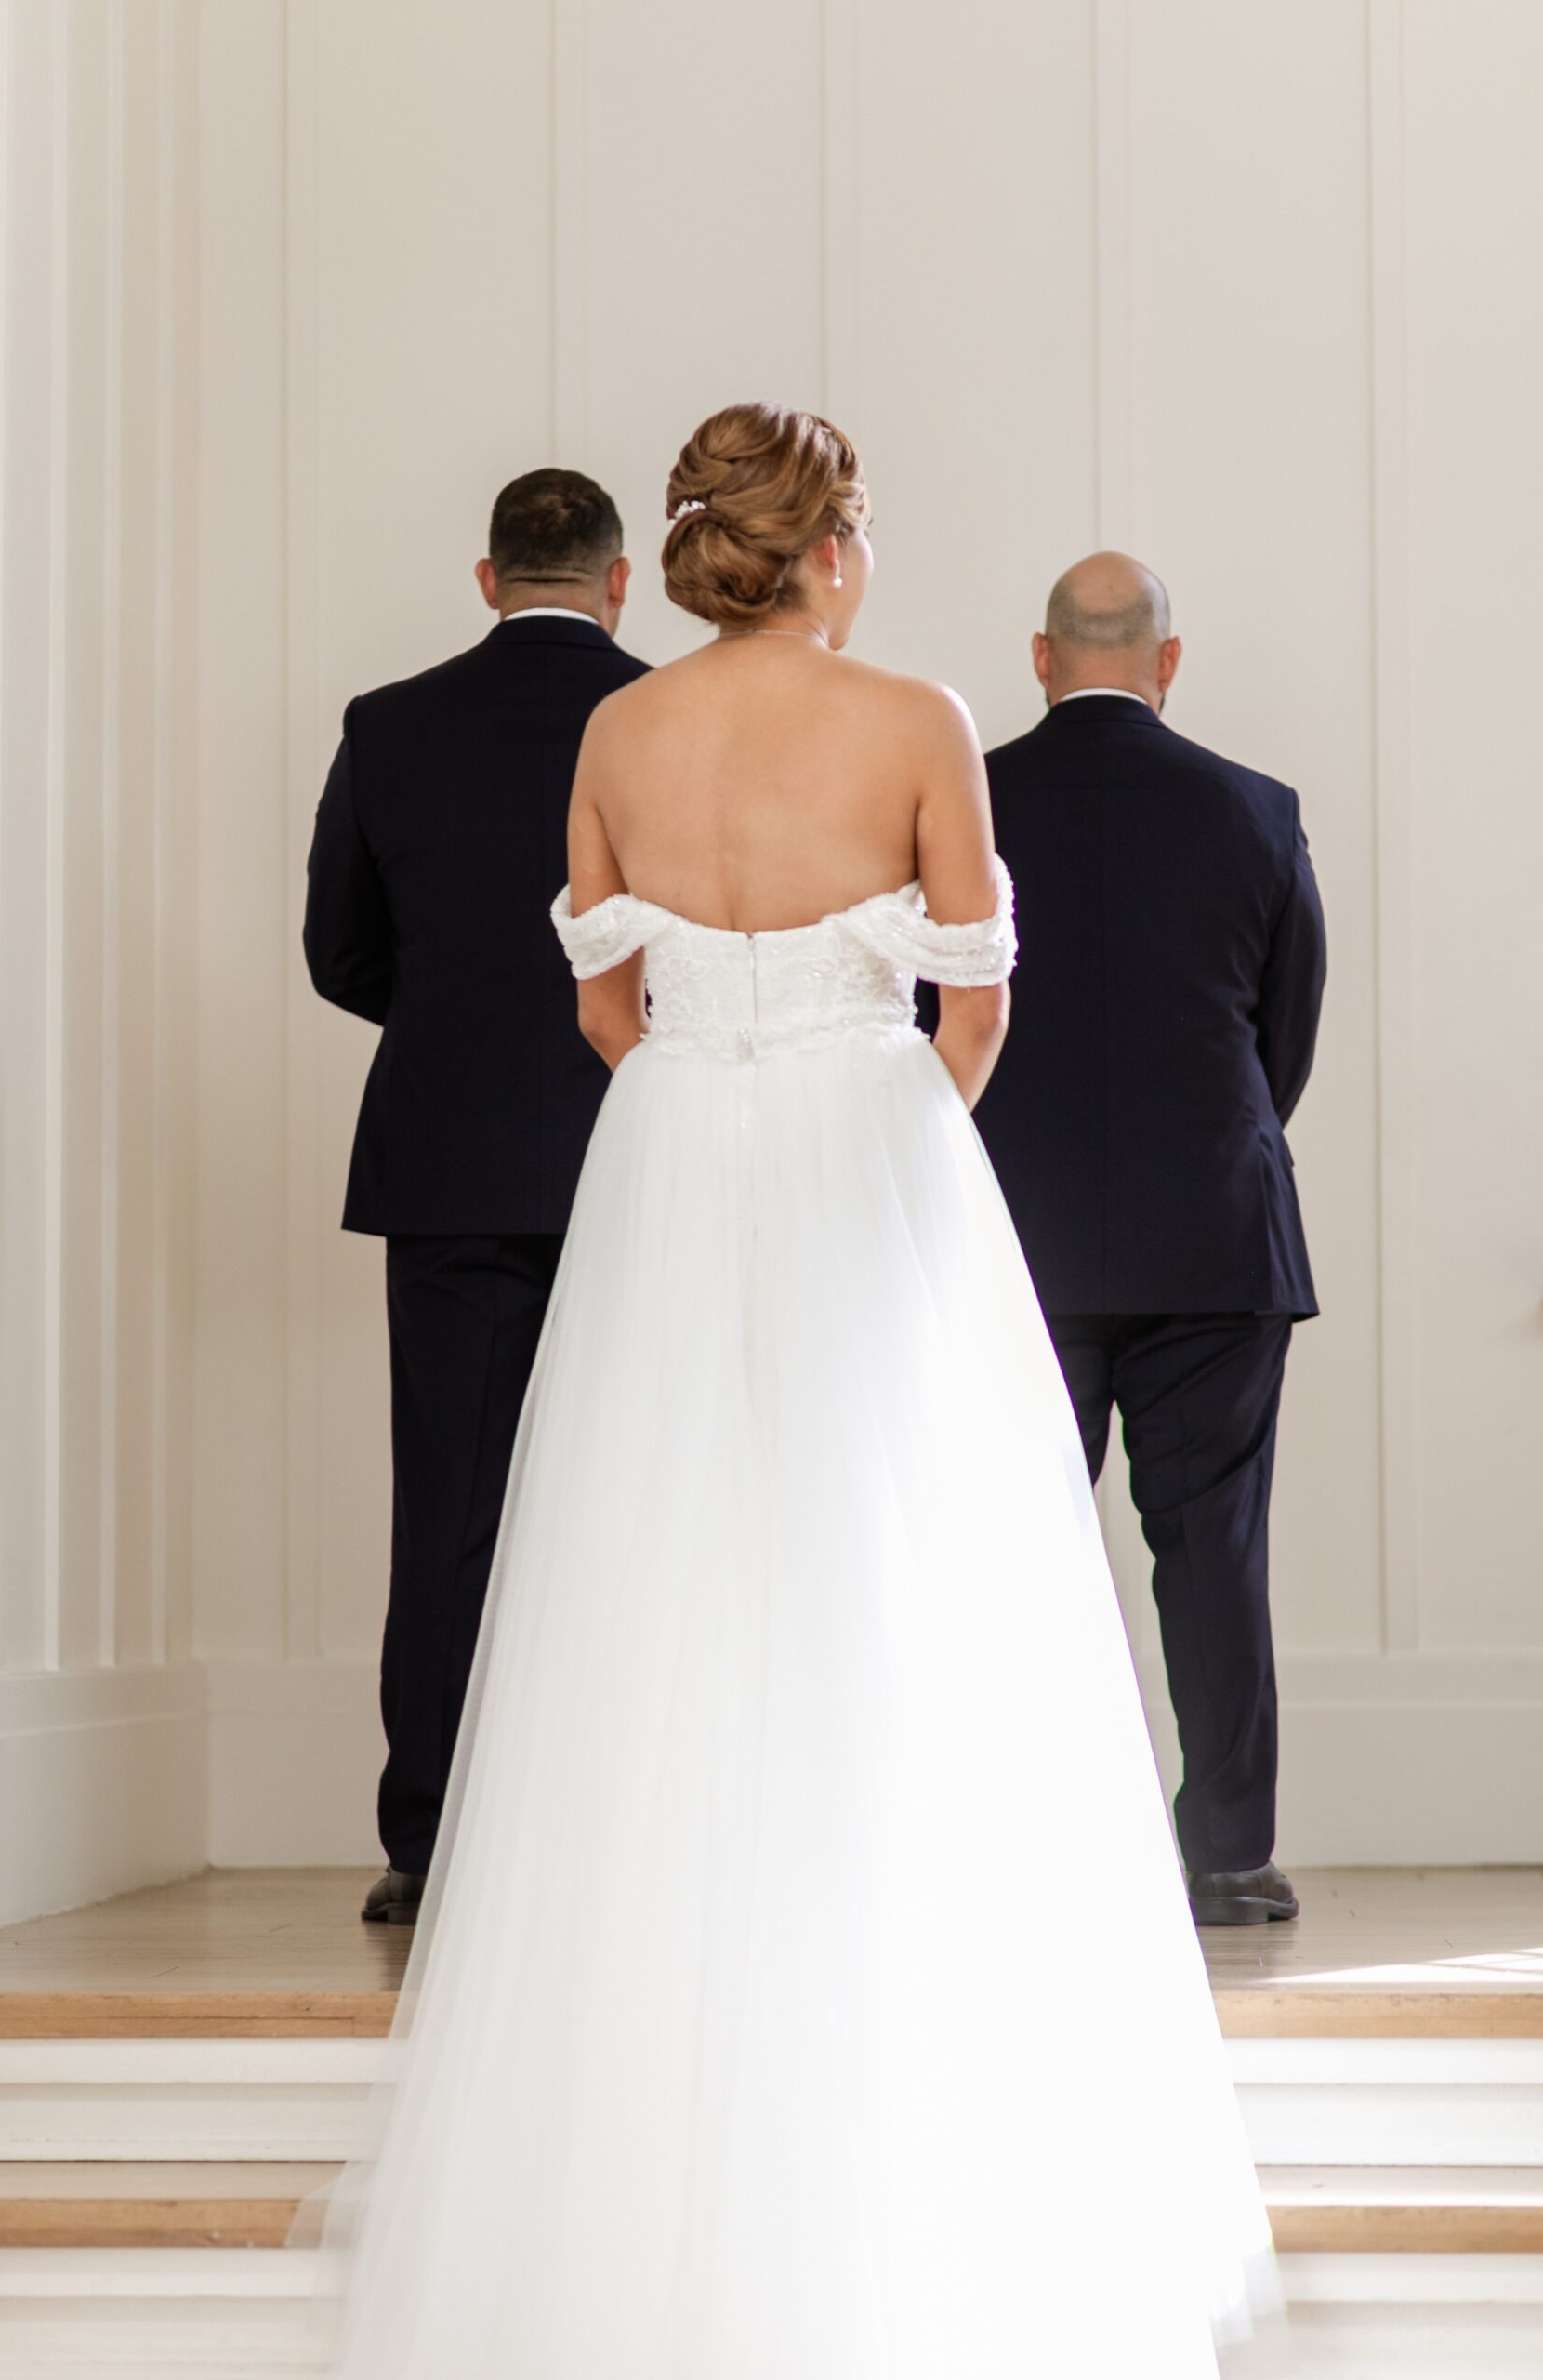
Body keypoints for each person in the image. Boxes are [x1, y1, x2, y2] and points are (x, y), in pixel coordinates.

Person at [304, 409, 1277, 2376]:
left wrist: (708, 1065)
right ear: (830, 546)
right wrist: (886, 1117)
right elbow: (979, 988)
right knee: (898, 1552)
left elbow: (599, 994)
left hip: (667, 1143)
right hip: (866, 1131)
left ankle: (648, 2018)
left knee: (655, 1553)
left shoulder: (621, 735)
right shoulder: (913, 714)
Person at [303, 469, 648, 1922]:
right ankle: (614, 1817)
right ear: (621, 583)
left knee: (448, 1496)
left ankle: (427, 1837)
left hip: (446, 1160)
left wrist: (456, 1024)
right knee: (634, 1494)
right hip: (636, 1144)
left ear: (487, 577)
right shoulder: (665, 719)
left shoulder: (388, 726)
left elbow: (339, 954)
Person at [974, 552, 1325, 1928]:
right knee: (1213, 1551)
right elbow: (1275, 1041)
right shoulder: (1255, 809)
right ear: (1166, 662)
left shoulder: (967, 801)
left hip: (1014, 1241)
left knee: (1009, 1546)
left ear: (1042, 657)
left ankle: (1020, 1838)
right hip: (1212, 1237)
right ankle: (1227, 1856)